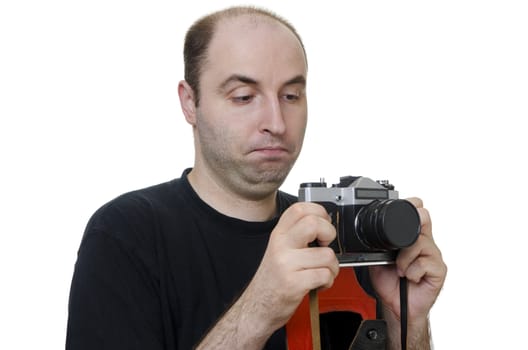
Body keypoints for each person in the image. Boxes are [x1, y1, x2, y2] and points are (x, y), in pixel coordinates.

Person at [66, 6, 447, 350]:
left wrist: (406, 323)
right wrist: (259, 310)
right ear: (189, 102)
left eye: (291, 96)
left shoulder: (339, 232)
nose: (276, 124)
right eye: (244, 96)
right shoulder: (126, 234)